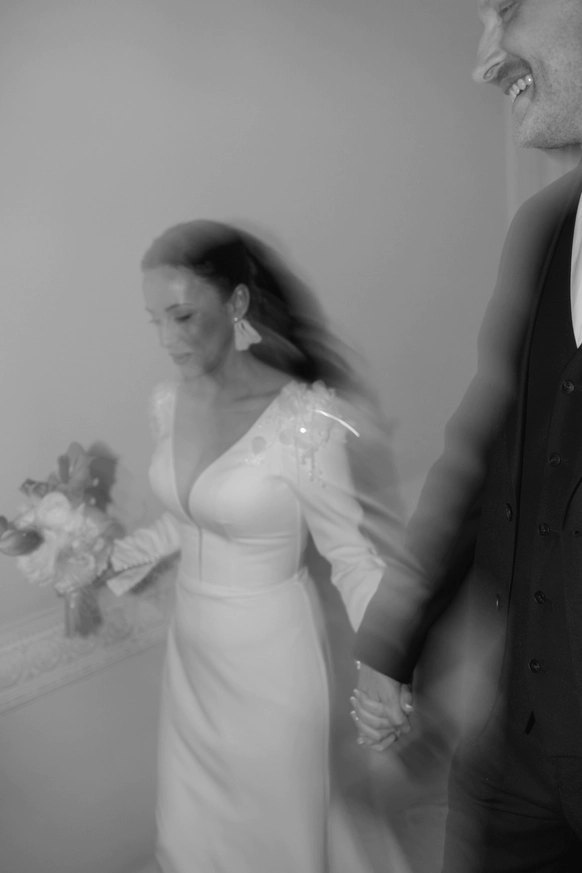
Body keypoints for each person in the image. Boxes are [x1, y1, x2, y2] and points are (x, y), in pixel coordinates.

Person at [352, 1, 582, 871]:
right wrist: (395, 643)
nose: (484, 60)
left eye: (508, 7)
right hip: (516, 750)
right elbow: (489, 456)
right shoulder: (547, 229)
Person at [106, 219, 409, 873]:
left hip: (273, 665)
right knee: (195, 834)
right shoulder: (168, 403)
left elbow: (353, 558)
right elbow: (191, 517)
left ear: (237, 303)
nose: (166, 340)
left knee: (277, 840)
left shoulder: (304, 420)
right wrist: (109, 558)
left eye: (183, 316)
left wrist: (387, 666)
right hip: (194, 659)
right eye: (155, 320)